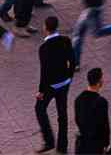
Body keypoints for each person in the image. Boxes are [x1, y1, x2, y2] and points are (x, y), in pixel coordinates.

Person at [37, 14, 77, 153]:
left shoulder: (44, 48)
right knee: (62, 114)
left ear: (46, 28)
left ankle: (49, 141)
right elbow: (73, 61)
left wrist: (41, 91)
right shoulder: (66, 41)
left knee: (39, 109)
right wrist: (69, 77)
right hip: (64, 83)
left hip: (50, 86)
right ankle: (62, 146)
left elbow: (45, 71)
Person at [74, 67, 111, 155]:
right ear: (99, 82)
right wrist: (106, 142)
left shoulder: (78, 99)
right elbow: (104, 124)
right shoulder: (101, 102)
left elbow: (77, 119)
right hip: (96, 143)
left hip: (83, 142)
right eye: (102, 78)